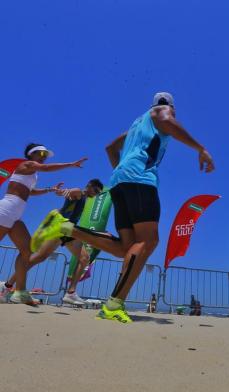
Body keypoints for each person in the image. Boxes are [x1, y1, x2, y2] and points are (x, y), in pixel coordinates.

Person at [31, 92, 215, 323]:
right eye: (173, 111)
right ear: (168, 106)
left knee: (126, 248)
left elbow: (110, 148)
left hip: (119, 182)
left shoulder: (136, 127)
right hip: (139, 180)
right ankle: (114, 304)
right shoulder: (160, 112)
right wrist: (200, 148)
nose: (172, 115)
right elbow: (167, 121)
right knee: (148, 241)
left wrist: (123, 171)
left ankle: (66, 228)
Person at [0, 143, 87, 305]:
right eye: (41, 153)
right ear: (31, 154)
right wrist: (70, 164)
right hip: (5, 211)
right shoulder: (26, 164)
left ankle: (19, 292)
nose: (44, 156)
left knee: (28, 251)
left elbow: (31, 191)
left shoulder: (32, 175)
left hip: (15, 216)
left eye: (45, 155)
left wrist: (49, 189)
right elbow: (46, 168)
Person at [1, 178, 103, 305]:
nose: (96, 194)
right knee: (39, 258)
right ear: (89, 186)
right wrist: (66, 192)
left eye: (98, 193)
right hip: (62, 227)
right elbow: (72, 192)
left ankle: (70, 293)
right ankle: (8, 286)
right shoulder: (79, 192)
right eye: (96, 190)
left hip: (67, 229)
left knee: (81, 258)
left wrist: (62, 192)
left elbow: (67, 195)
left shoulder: (83, 198)